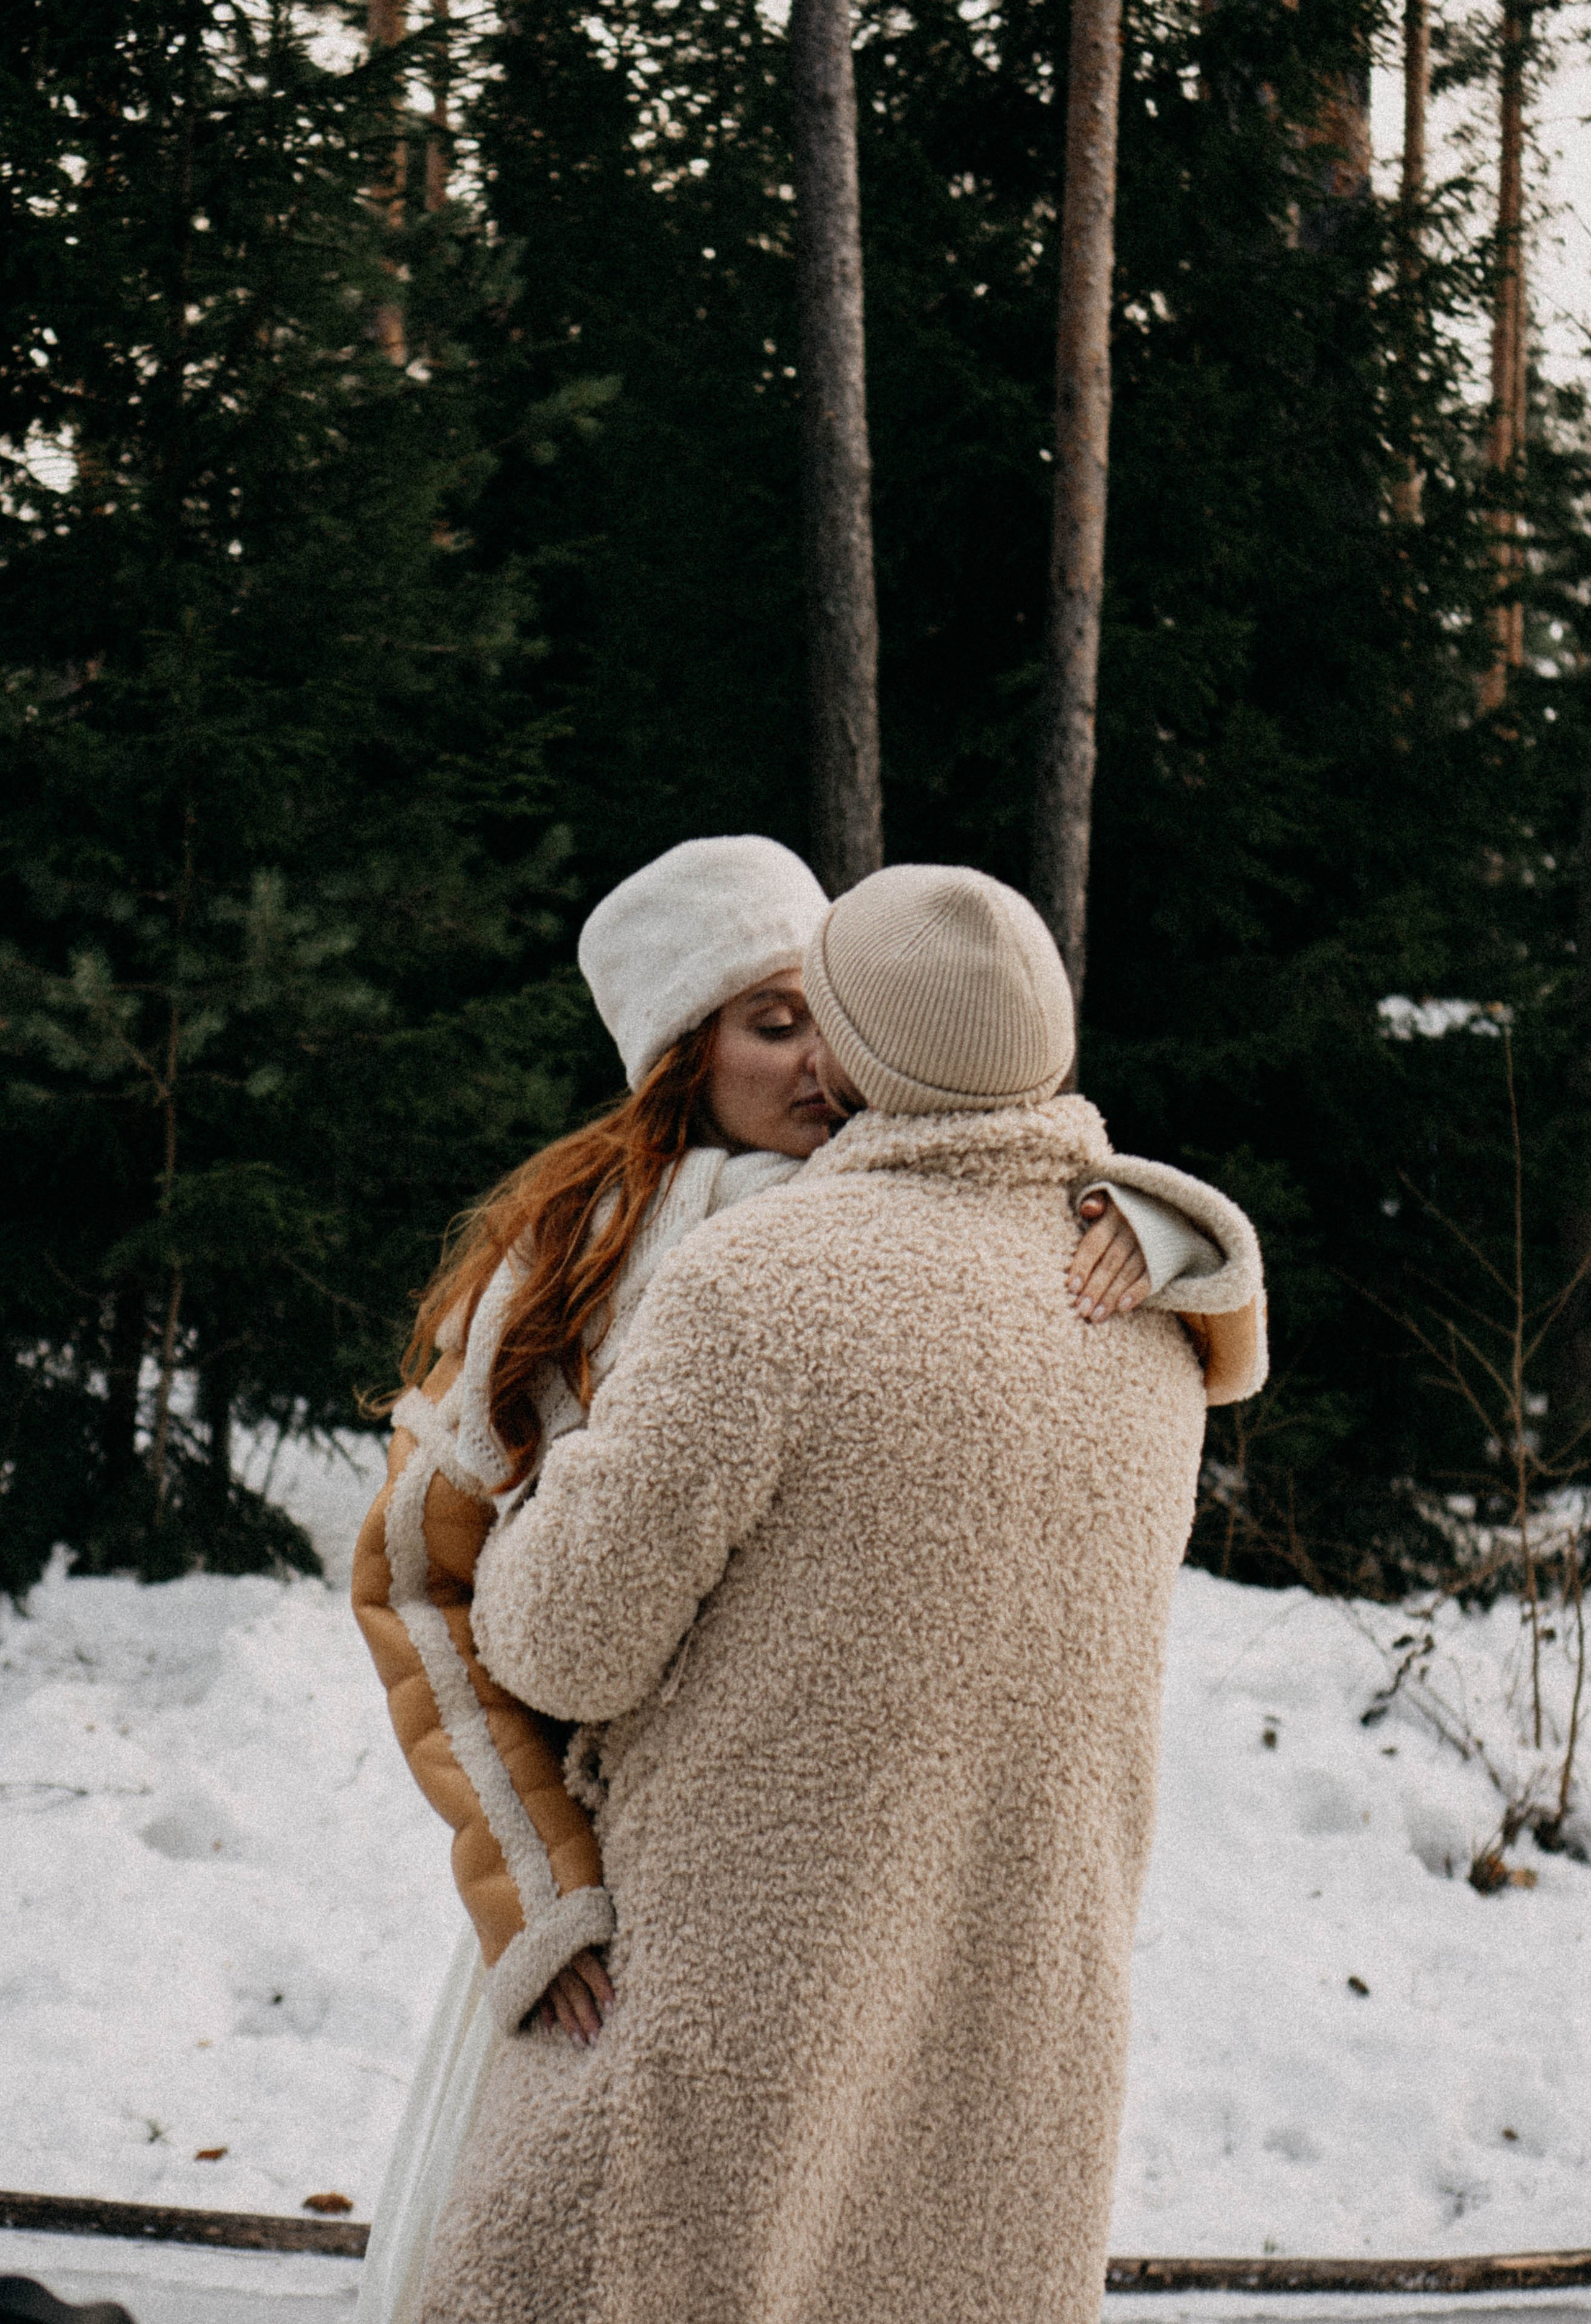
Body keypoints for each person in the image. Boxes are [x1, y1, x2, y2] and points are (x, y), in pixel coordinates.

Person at [350, 839, 1251, 2324]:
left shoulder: (1049, 1248)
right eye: (774, 1024)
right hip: (606, 1907)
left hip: (835, 1921)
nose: (823, 1063)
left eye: (833, 1013)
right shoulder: (574, 1263)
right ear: (675, 1058)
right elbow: (422, 1588)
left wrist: (1180, 1232)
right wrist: (540, 1888)